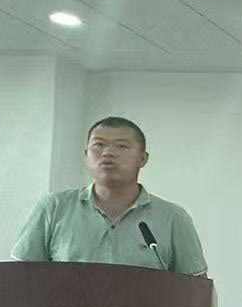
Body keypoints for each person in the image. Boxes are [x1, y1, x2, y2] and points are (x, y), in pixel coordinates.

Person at [12, 117, 207, 275]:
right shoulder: (54, 208)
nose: (107, 153)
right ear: (86, 154)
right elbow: (22, 278)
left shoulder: (173, 218)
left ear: (143, 159)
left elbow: (195, 291)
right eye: (98, 145)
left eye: (121, 146)